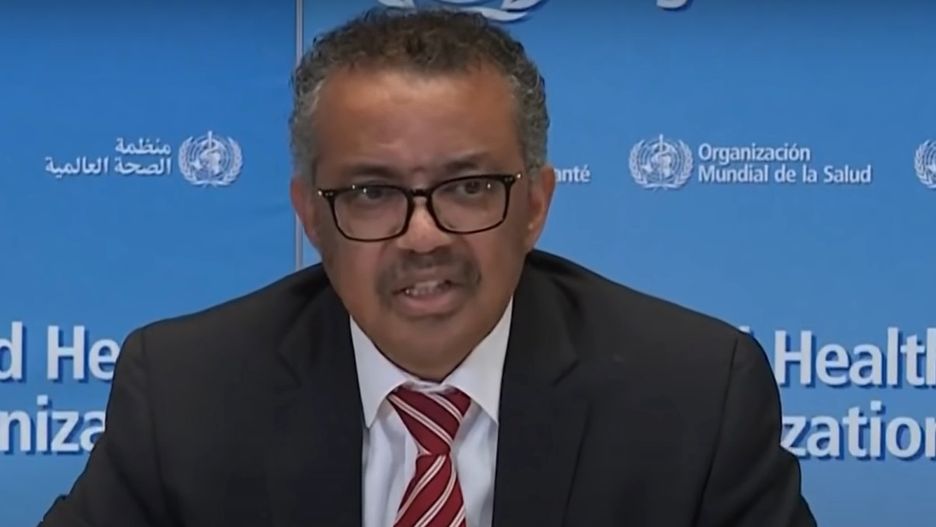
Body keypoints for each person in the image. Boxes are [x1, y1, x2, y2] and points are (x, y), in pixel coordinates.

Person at [39, 8, 816, 527]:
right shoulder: (188, 393)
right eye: (372, 193)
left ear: (537, 204)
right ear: (310, 215)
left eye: (469, 187)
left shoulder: (693, 396)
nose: (423, 236)